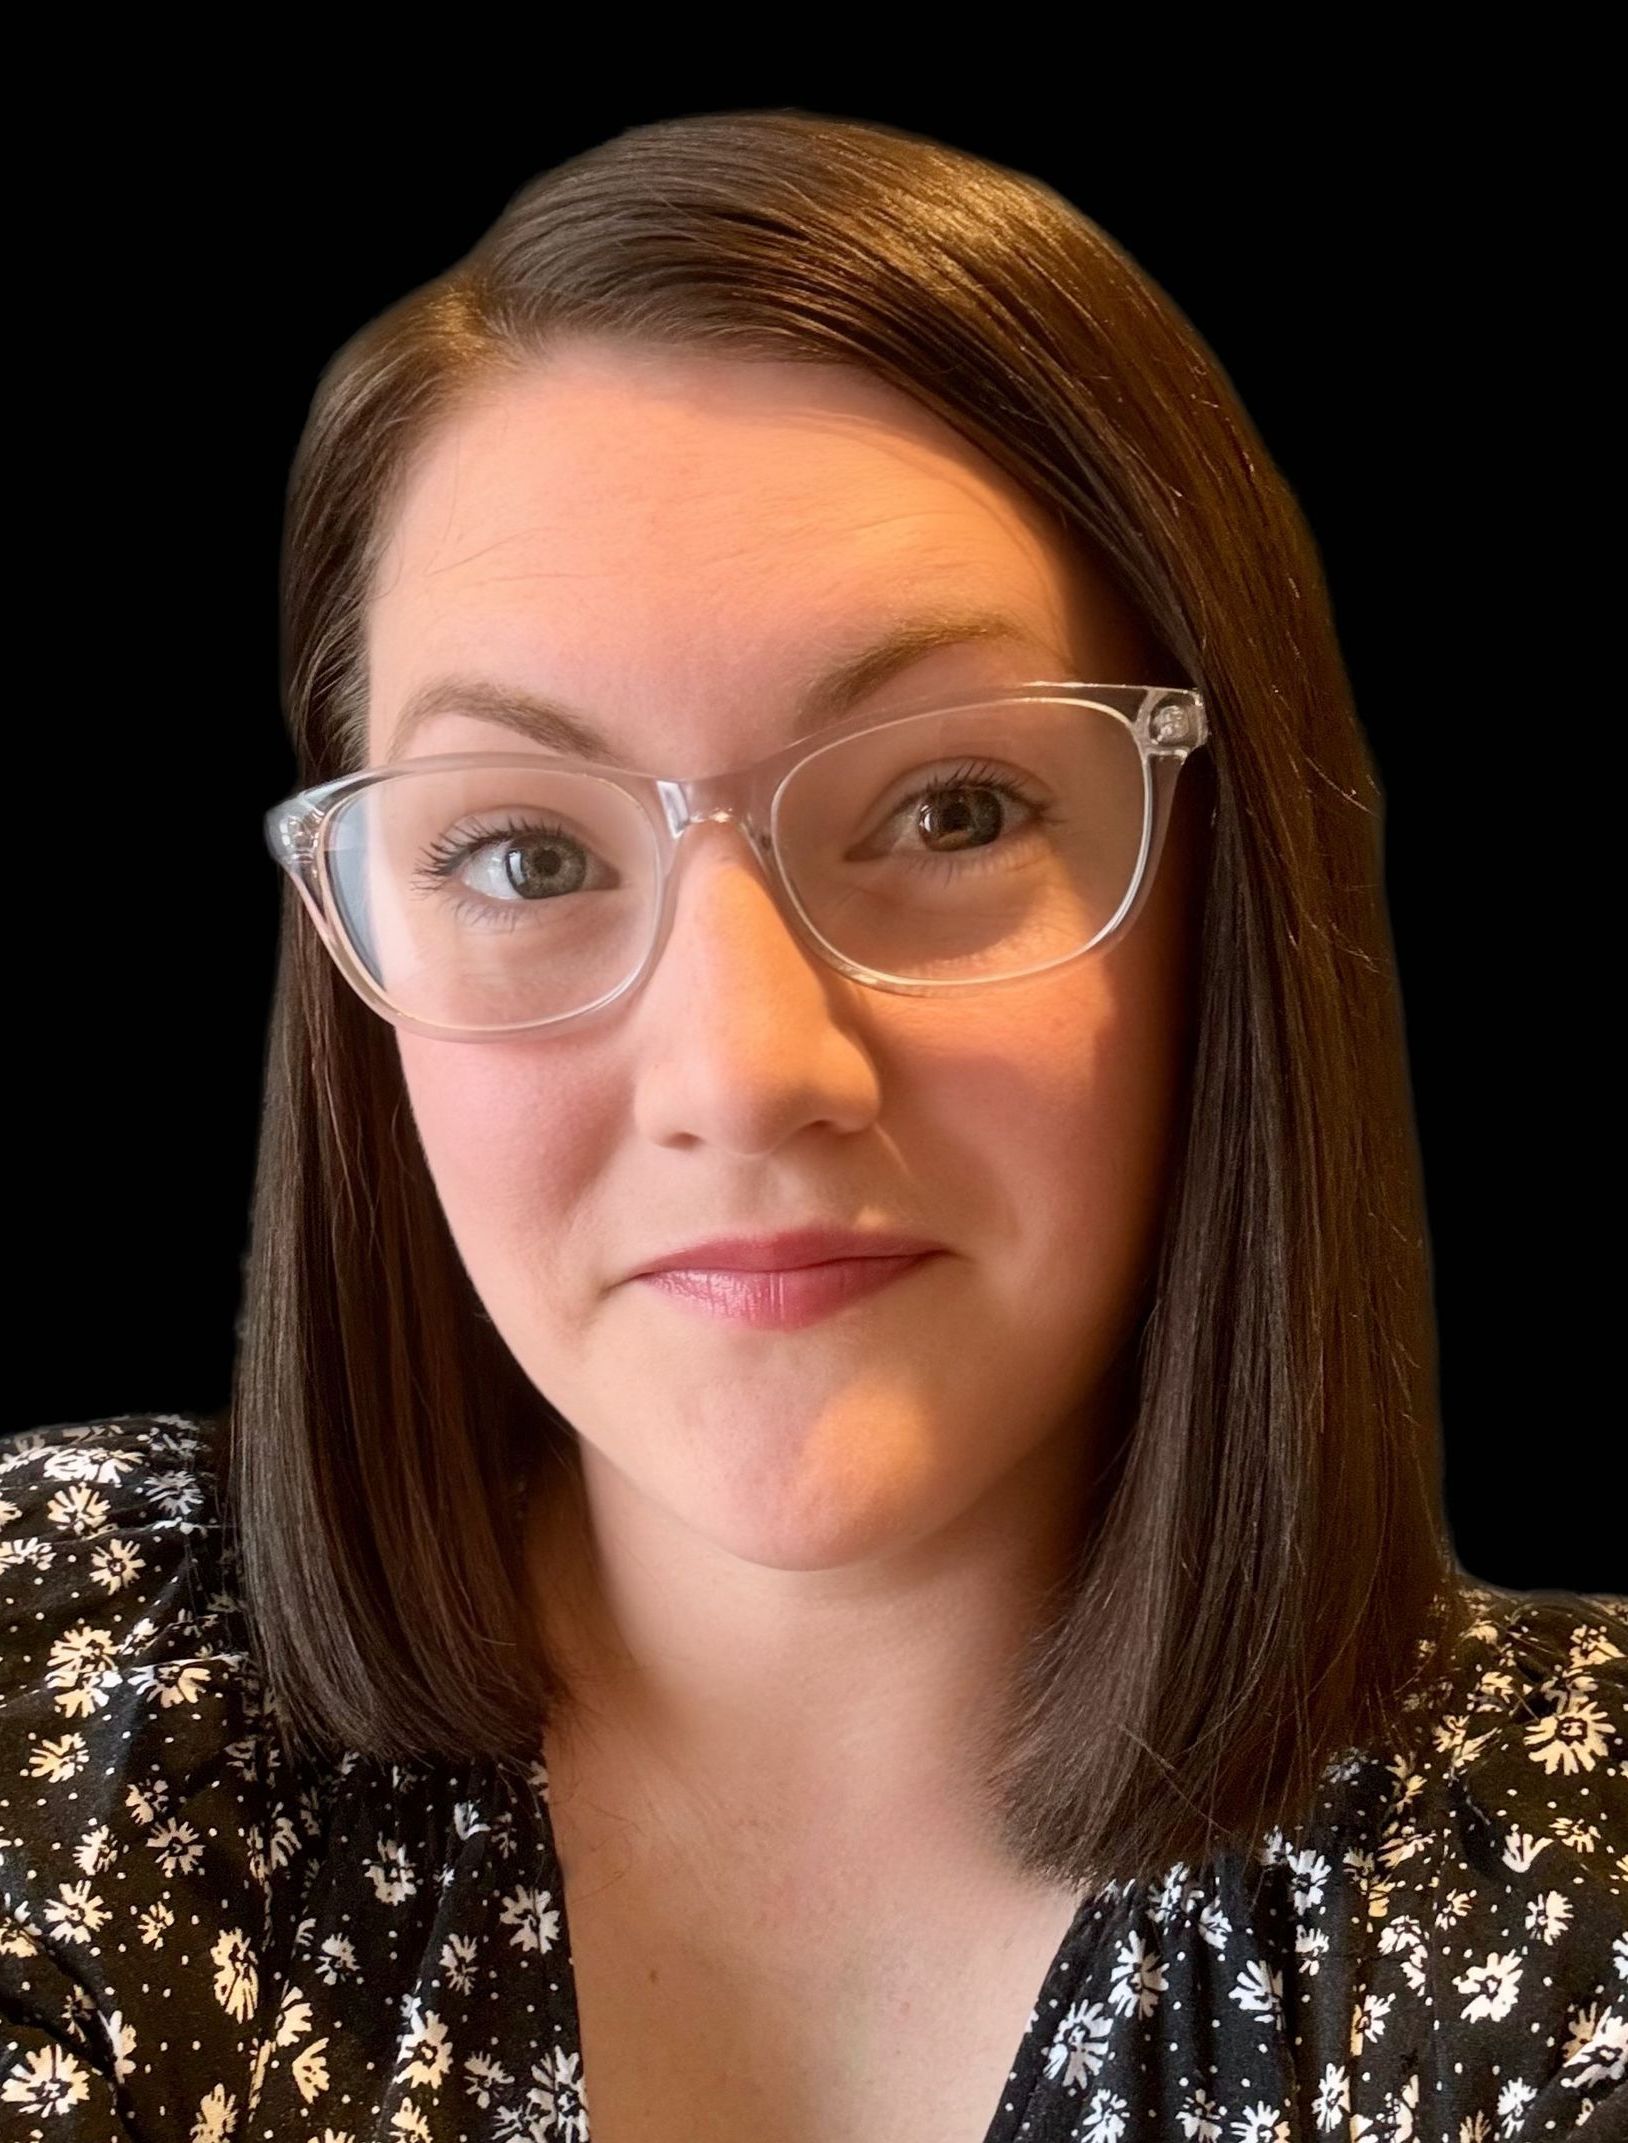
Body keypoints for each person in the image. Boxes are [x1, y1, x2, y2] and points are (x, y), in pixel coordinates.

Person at [3, 110, 1623, 2143]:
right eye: (523, 854)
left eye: (951, 811)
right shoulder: (51, 1678)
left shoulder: (1580, 1883)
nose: (743, 1071)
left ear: (1229, 890)